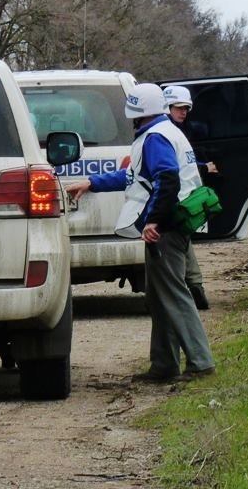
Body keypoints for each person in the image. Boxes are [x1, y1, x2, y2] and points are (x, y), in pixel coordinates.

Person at [65, 83, 215, 383]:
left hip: (167, 226)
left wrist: (153, 221)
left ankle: (200, 362)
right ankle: (165, 364)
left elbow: (167, 179)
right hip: (177, 221)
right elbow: (135, 176)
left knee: (172, 294)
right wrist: (93, 183)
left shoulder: (156, 137)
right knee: (160, 297)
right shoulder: (165, 131)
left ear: (135, 111)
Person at [163, 84, 213, 310]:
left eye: (186, 108)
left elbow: (185, 162)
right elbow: (174, 167)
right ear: (167, 107)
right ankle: (193, 288)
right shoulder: (165, 133)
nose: (183, 112)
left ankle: (194, 287)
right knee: (181, 243)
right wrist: (204, 168)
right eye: (179, 108)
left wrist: (201, 167)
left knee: (182, 241)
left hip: (183, 198)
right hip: (174, 197)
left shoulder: (176, 131)